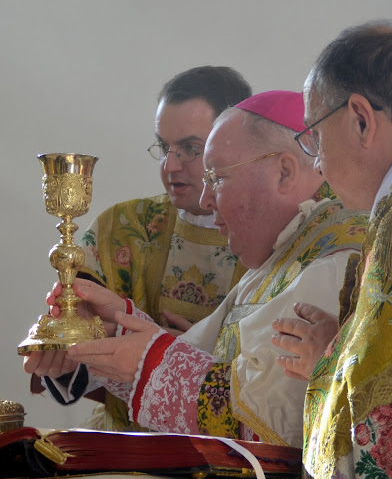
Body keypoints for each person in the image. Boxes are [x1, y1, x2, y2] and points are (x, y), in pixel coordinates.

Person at [25, 90, 367, 448]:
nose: (205, 199)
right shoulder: (287, 248)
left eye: (216, 178)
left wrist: (148, 362)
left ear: (284, 172)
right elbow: (208, 356)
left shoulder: (334, 262)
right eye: (164, 147)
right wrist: (117, 327)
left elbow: (274, 421)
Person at [273, 22, 392, 479]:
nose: (316, 162)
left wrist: (330, 364)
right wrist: (341, 350)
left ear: (361, 118)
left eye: (314, 135)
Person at [31, 66, 252, 431]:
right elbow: (81, 349)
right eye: (164, 147)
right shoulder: (122, 228)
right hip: (128, 440)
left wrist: (186, 356)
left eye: (190, 149)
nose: (170, 165)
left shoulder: (272, 232)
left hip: (232, 449)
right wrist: (67, 355)